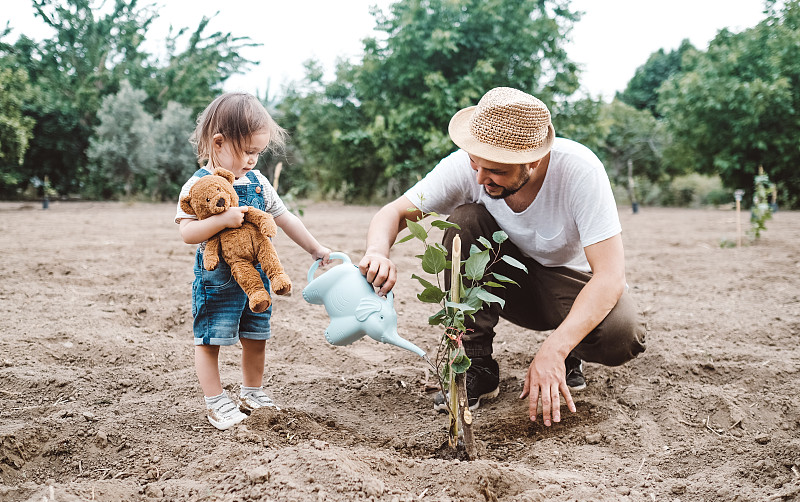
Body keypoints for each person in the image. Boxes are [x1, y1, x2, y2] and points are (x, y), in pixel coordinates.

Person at [358, 87, 646, 427]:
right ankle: (477, 365)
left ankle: (570, 351)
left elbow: (610, 277)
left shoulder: (580, 171)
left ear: (533, 161)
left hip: (566, 290)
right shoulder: (470, 167)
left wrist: (554, 349)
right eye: (475, 163)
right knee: (465, 219)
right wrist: (377, 252)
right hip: (504, 281)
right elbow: (393, 213)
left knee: (621, 334)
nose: (481, 178)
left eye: (496, 171)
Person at [176, 92, 331, 430]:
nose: (252, 160)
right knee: (209, 340)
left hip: (256, 279)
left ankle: (252, 393)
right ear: (219, 143)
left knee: (256, 335)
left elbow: (285, 218)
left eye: (258, 153)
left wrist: (315, 248)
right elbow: (188, 232)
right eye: (247, 151)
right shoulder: (197, 185)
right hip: (217, 280)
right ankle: (216, 402)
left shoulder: (259, 183)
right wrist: (222, 220)